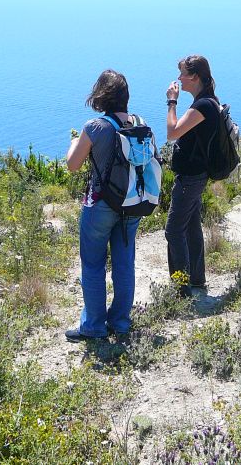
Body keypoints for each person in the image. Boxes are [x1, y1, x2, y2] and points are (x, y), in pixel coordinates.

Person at [65, 70, 143, 342]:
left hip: (100, 204)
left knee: (93, 264)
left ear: (101, 95)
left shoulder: (95, 127)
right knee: (124, 263)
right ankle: (120, 322)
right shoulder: (140, 124)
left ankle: (94, 326)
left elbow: (73, 165)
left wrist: (74, 143)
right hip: (132, 204)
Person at [164, 55, 222, 296]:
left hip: (190, 178)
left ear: (194, 77)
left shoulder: (203, 106)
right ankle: (196, 279)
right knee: (190, 226)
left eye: (182, 74)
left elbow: (172, 132)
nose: (179, 79)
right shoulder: (207, 101)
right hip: (197, 175)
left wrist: (171, 102)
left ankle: (181, 289)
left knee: (173, 230)